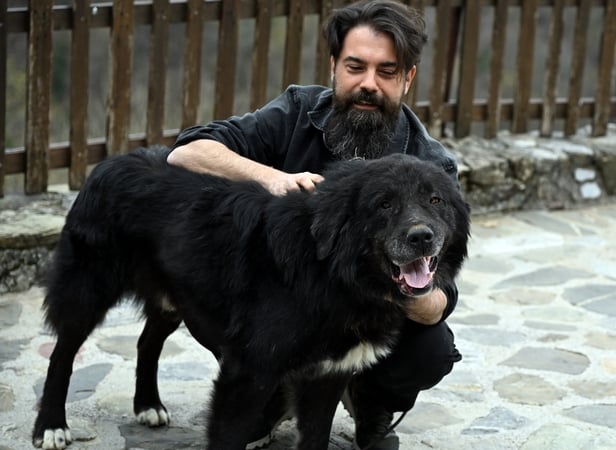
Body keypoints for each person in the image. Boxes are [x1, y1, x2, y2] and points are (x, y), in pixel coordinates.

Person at [167, 1, 462, 449]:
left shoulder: (432, 164)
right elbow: (186, 154)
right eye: (355, 67)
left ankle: (369, 399)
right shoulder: (296, 111)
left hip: (370, 318)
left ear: (408, 78)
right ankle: (272, 390)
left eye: (386, 71)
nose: (368, 84)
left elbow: (440, 300)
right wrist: (273, 178)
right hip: (282, 317)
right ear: (334, 66)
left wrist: (400, 285)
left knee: (431, 350)